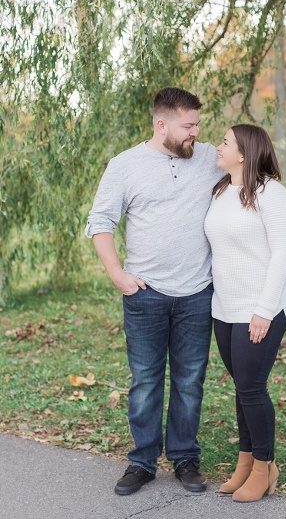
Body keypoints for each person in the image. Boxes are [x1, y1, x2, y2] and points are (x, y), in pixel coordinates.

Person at [85, 87, 223, 495]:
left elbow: (251, 169)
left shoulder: (208, 158)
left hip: (198, 292)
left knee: (189, 380)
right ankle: (142, 462)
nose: (196, 133)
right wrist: (117, 274)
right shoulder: (126, 165)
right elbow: (100, 221)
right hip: (145, 293)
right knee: (145, 381)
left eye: (198, 124)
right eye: (188, 126)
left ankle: (184, 458)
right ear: (161, 125)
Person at [203, 124, 286, 503]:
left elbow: (281, 254)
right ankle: (246, 461)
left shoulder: (272, 195)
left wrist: (264, 310)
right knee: (242, 387)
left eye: (225, 142)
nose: (218, 146)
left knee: (253, 388)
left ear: (243, 153)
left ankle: (264, 467)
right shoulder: (222, 190)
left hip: (261, 308)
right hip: (224, 307)